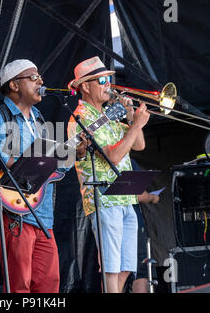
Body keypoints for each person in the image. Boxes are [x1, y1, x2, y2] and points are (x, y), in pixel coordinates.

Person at [0, 59, 86, 293]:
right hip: (14, 214)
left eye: (40, 77)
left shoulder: (39, 119)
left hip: (42, 216)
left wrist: (76, 153)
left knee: (49, 285)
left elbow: (55, 169)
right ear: (14, 85)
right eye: (33, 78)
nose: (41, 81)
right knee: (19, 286)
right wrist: (21, 162)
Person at [67, 56, 150, 293]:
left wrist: (131, 115)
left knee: (126, 266)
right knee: (112, 268)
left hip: (125, 197)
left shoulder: (109, 115)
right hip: (104, 198)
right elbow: (113, 156)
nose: (108, 85)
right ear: (85, 86)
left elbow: (139, 145)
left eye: (108, 80)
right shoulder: (83, 118)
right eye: (102, 80)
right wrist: (135, 126)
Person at [125, 159, 160, 293]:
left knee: (115, 271)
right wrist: (152, 197)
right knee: (141, 271)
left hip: (112, 222)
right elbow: (138, 194)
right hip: (132, 224)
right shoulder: (127, 161)